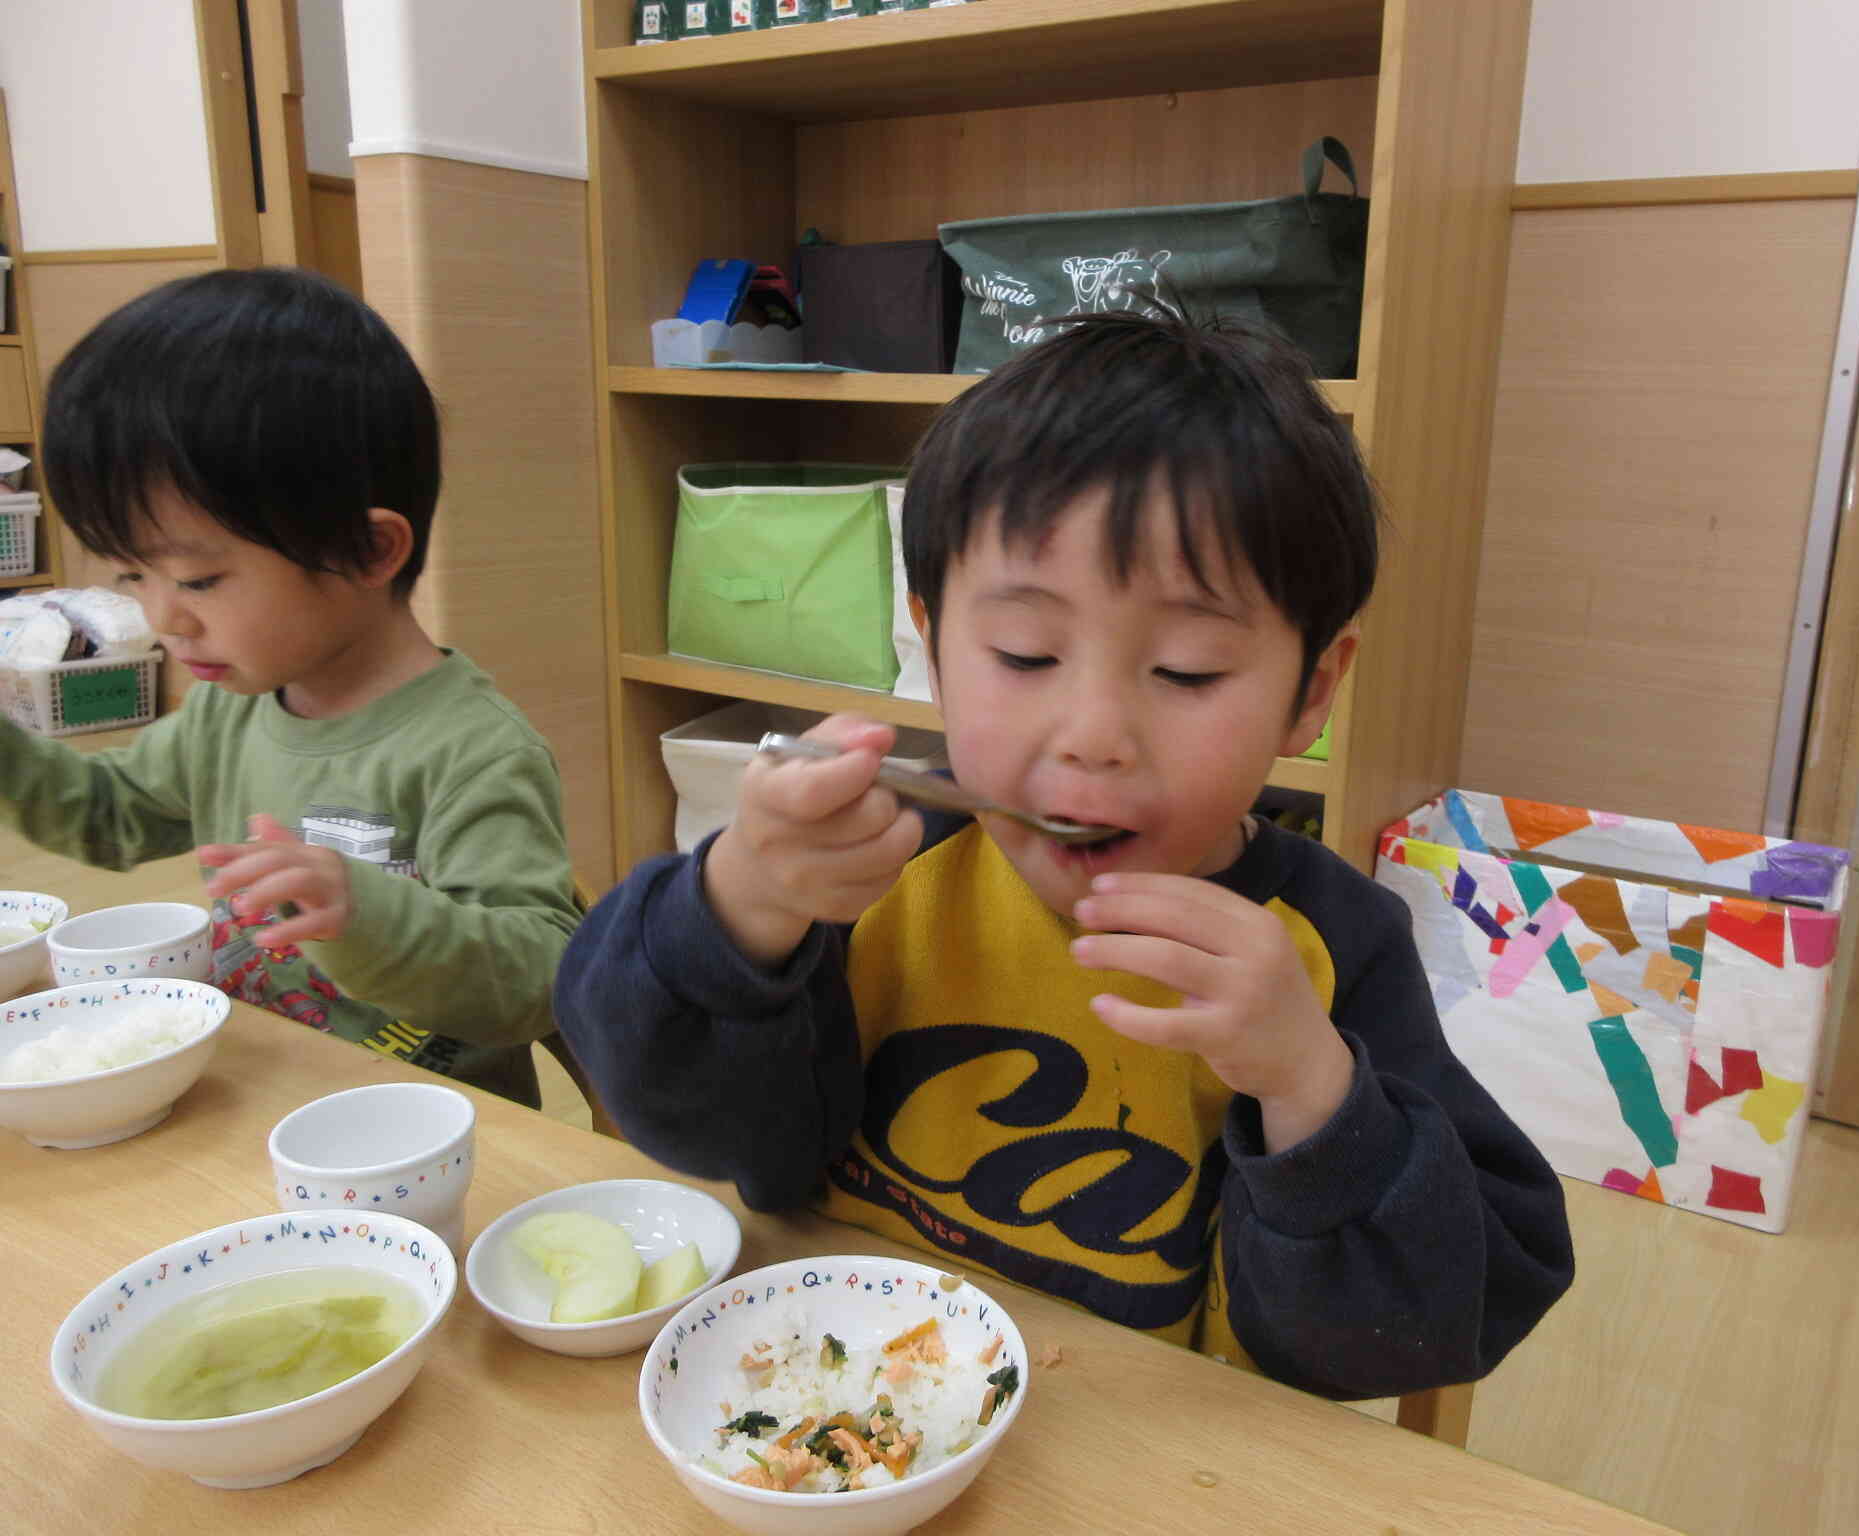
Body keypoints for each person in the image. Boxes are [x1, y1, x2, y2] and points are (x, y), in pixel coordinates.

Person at [554, 310, 1572, 1397]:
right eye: (1023, 652)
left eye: (1185, 670)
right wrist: (735, 910)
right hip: (827, 1387)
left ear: (1309, 693)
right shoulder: (874, 871)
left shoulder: (1323, 953)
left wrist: (1309, 1088)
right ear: (930, 641)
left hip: (1150, 1455)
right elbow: (679, 1125)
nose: (1092, 731)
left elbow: (1459, 1309)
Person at [0, 267, 580, 1107]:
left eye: (197, 580)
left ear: (368, 550)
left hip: (428, 1134)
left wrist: (368, 918)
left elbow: (538, 978)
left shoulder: (473, 750)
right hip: (265, 1097)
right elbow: (109, 814)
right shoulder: (227, 713)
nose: (165, 618)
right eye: (133, 576)